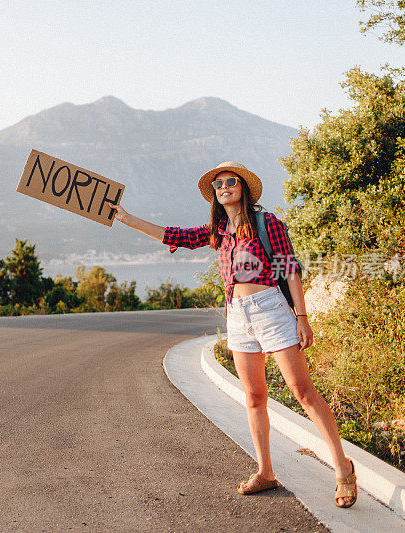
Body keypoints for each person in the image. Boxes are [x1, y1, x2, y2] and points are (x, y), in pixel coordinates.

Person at [110, 161, 357, 508]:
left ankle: (343, 469)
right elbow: (173, 236)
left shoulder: (266, 222)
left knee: (302, 392)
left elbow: (289, 270)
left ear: (242, 187)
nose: (224, 187)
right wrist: (127, 218)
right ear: (214, 193)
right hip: (238, 317)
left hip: (272, 309)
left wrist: (302, 317)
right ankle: (266, 472)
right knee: (254, 397)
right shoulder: (218, 230)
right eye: (218, 184)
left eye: (231, 181)